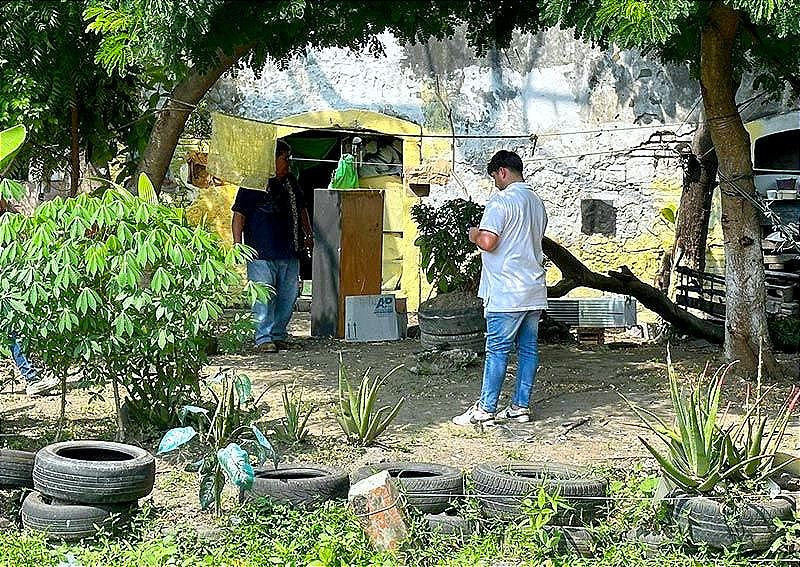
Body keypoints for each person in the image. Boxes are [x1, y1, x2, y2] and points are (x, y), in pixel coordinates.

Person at [453, 150, 548, 426]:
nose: (495, 183)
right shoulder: (536, 201)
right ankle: (520, 406)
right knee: (528, 350)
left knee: (497, 350)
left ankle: (485, 409)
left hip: (506, 292)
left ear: (502, 172)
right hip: (533, 289)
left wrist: (473, 234)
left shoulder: (501, 200)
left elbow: (489, 241)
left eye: (494, 177)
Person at [231, 140, 313, 353]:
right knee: (263, 297)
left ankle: (278, 335)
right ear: (272, 159)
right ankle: (263, 338)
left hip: (289, 250)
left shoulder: (290, 182)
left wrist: (309, 234)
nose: (288, 163)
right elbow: (239, 215)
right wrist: (237, 245)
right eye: (285, 158)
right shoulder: (252, 183)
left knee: (288, 296)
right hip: (260, 252)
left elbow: (302, 209)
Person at [0, 197, 59, 395]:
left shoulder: (7, 219)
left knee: (14, 332)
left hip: (6, 289)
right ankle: (32, 379)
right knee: (13, 333)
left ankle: (32, 377)